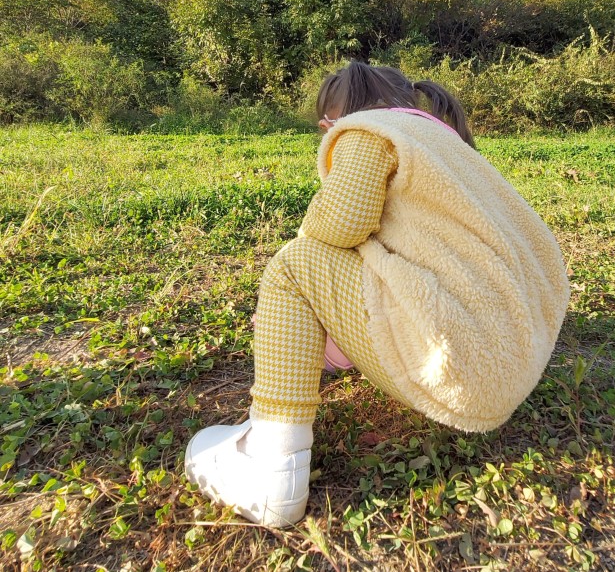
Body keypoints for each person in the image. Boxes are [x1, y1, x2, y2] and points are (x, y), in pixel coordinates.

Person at [184, 61, 570, 527]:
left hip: (457, 368)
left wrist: (300, 277)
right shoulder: (446, 145)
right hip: (511, 363)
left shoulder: (370, 131)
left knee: (294, 263)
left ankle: (271, 463)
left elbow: (340, 224)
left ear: (331, 123)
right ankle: (324, 353)